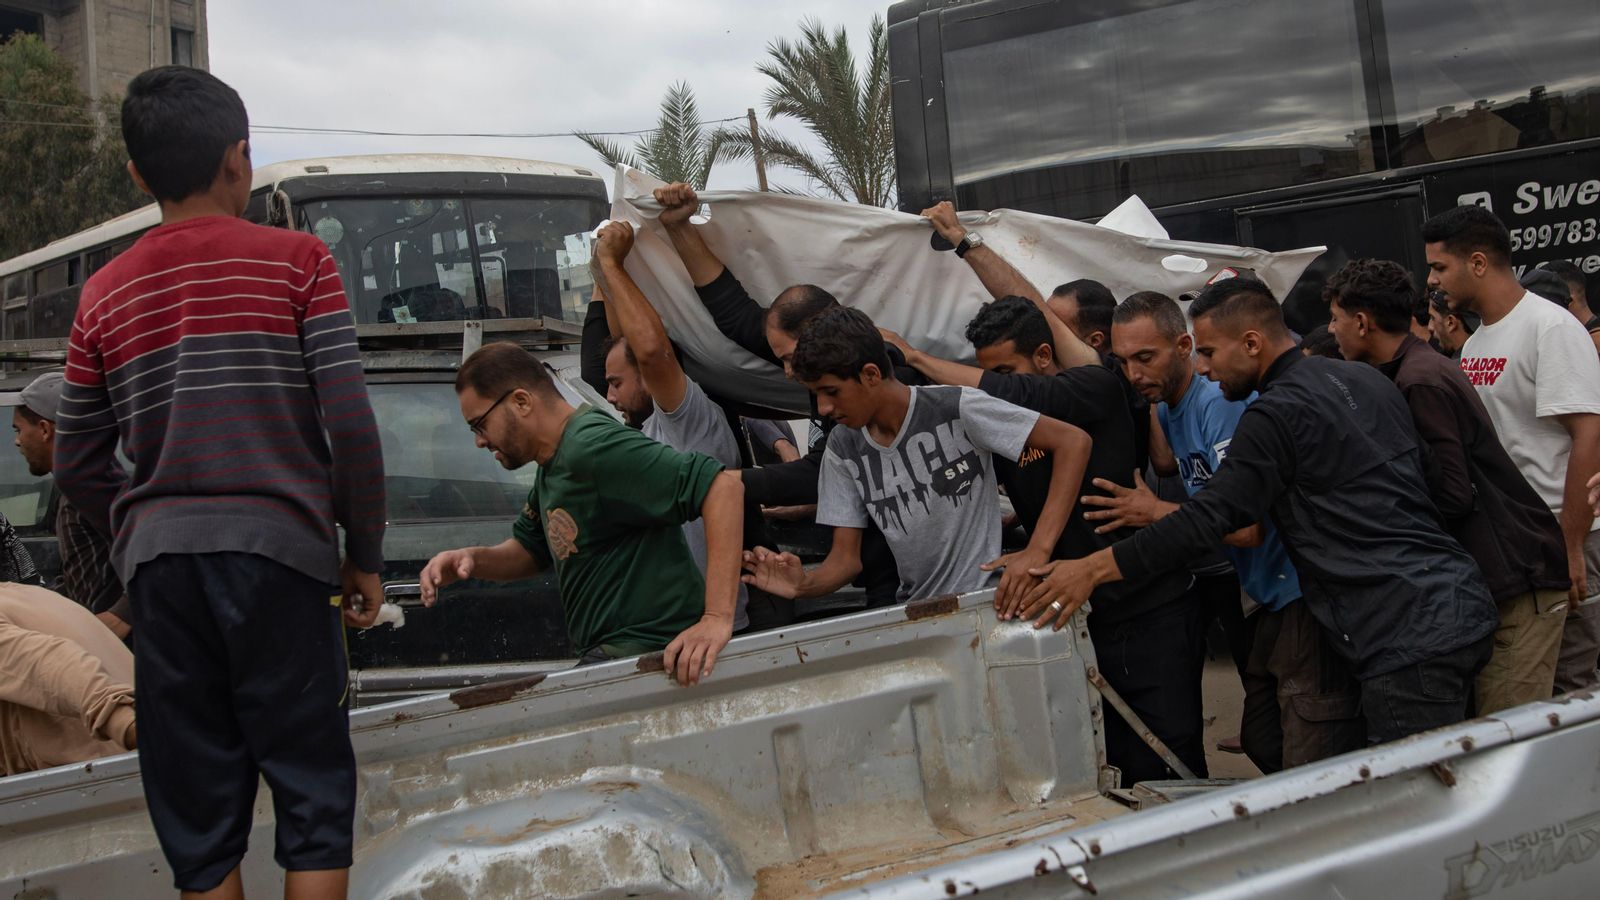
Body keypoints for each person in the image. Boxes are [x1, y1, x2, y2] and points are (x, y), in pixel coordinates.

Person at [53, 67, 388, 900]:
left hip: (164, 579)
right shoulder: (302, 263)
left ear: (137, 175)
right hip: (284, 561)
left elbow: (75, 462)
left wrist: (140, 531)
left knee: (201, 823)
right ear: (240, 159)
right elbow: (349, 428)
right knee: (312, 798)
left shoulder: (100, 295)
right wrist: (364, 553)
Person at [1016, 278, 1499, 747]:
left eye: (1207, 353)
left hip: (1402, 632)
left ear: (1251, 343)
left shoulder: (1272, 415)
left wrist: (1092, 569)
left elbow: (1211, 518)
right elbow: (1432, 484)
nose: (1201, 369)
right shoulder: (1360, 378)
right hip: (1456, 602)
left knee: (1410, 798)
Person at [883, 295, 1208, 782]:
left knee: (1169, 757)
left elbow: (1020, 396)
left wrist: (916, 357)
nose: (999, 387)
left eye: (1009, 371)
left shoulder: (1095, 387)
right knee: (1108, 755)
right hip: (1081, 613)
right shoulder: (1009, 428)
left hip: (1150, 605)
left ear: (1042, 356)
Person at [1097, 290, 1361, 773]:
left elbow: (1245, 529)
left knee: (1308, 745)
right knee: (1264, 738)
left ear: (1184, 346)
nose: (1134, 374)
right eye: (1123, 361)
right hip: (1261, 595)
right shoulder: (1172, 405)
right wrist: (1152, 402)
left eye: (1145, 358)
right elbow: (1167, 462)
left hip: (1295, 591)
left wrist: (1154, 510)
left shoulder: (1219, 402)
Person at [420, 342, 744, 683]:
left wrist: (716, 618)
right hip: (616, 656)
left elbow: (723, 489)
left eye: (480, 425)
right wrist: (470, 560)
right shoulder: (552, 462)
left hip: (648, 658)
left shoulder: (592, 448)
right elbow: (530, 550)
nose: (479, 442)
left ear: (521, 401)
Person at [1328, 259, 1570, 713]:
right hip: (1501, 579)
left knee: (1508, 748)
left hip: (1518, 580)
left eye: (1336, 319)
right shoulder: (1410, 372)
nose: (1331, 329)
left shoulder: (1419, 382)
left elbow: (1453, 494)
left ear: (1361, 323)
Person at [742, 308, 1091, 619]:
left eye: (831, 391)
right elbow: (845, 561)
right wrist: (802, 585)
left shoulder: (955, 407)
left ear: (870, 375)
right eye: (816, 394)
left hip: (991, 604)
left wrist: (1038, 548)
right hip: (916, 613)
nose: (823, 409)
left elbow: (1073, 442)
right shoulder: (842, 446)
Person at [653, 182, 908, 606]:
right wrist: (679, 227)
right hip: (869, 571)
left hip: (906, 572)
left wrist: (723, 483)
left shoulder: (888, 379)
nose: (789, 373)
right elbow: (736, 317)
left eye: (792, 358)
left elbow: (819, 472)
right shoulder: (816, 361)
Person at [1425, 205, 1600, 694]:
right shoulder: (1477, 343)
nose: (1433, 280)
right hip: (1517, 543)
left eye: (1440, 267)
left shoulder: (1550, 327)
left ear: (1478, 263)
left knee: (1570, 692)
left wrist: (1570, 546)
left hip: (1568, 535)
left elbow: (1589, 436)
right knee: (1528, 692)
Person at [590, 221, 752, 634]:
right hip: (670, 633)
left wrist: (612, 262)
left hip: (714, 636)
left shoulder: (689, 423)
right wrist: (601, 271)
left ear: (648, 375)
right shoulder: (645, 434)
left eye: (614, 384)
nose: (609, 397)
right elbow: (627, 346)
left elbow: (649, 351)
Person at [5, 372, 132, 640]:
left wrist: (122, 615)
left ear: (44, 429)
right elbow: (82, 575)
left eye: (18, 430)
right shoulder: (72, 485)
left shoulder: (93, 483)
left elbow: (155, 552)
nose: (17, 441)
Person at [0, 581, 136, 776]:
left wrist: (126, 724)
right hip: (147, 757)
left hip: (104, 775)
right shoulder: (36, 596)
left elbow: (54, 664)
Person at [1538, 260, 1600, 356]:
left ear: (1568, 300)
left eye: (1547, 301)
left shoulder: (1591, 343)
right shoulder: (1580, 338)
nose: (1542, 309)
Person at [1426, 290, 1480, 359]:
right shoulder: (1489, 354)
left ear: (1451, 322)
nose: (1430, 327)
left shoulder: (1451, 367)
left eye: (1433, 318)